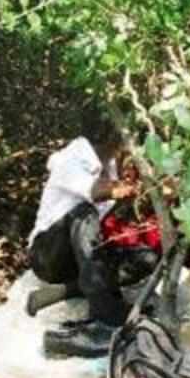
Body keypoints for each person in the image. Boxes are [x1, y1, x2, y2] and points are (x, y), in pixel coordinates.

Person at [27, 134, 160, 356]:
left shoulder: (108, 162)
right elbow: (97, 192)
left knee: (145, 258)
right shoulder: (71, 159)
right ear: (112, 138)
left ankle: (64, 291)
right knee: (84, 212)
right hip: (47, 256)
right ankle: (105, 322)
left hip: (80, 259)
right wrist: (133, 187)